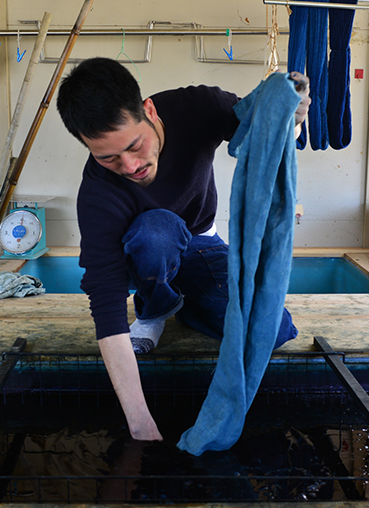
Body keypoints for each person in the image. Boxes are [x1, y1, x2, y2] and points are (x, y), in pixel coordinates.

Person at [56, 58, 310, 441]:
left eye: (134, 146)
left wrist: (291, 115)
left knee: (272, 330)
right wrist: (140, 426)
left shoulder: (196, 108)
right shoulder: (98, 193)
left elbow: (263, 132)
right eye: (107, 157)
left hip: (201, 242)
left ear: (149, 111)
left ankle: (185, 304)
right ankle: (154, 307)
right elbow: (106, 304)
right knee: (156, 231)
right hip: (146, 256)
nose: (129, 166)